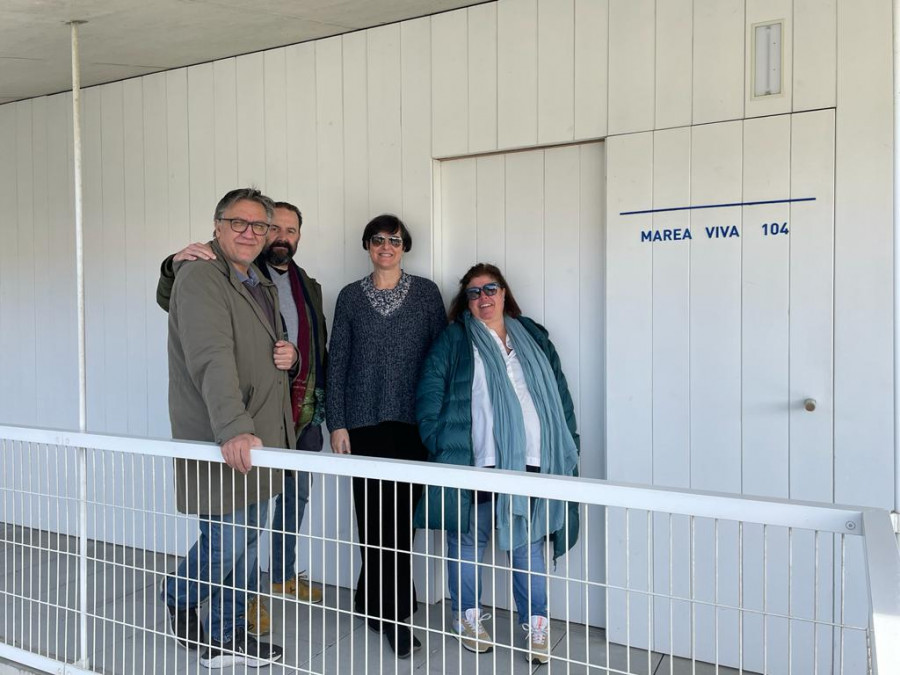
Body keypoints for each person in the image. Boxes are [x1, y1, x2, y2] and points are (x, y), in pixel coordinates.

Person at [157, 200, 328, 636]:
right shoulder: (200, 272)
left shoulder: (265, 282)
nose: (252, 232)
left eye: (260, 225)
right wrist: (234, 428)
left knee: (250, 540)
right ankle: (179, 595)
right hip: (229, 434)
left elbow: (273, 340)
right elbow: (211, 356)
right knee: (228, 540)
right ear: (217, 225)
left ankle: (226, 631)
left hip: (270, 431)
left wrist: (289, 355)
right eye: (239, 223)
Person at [414, 263, 580, 665]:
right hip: (478, 462)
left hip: (534, 461)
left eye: (491, 289)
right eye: (474, 292)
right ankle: (466, 616)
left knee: (528, 548)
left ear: (505, 293)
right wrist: (444, 446)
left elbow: (560, 395)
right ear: (465, 301)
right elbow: (428, 396)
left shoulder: (533, 335)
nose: (483, 298)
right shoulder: (455, 340)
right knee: (468, 544)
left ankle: (536, 625)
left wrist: (569, 443)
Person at [326, 214, 446, 658]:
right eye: (377, 239)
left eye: (394, 240)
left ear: (404, 246)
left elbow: (440, 360)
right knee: (372, 518)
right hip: (362, 422)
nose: (385, 246)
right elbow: (336, 361)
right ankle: (393, 616)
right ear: (367, 245)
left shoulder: (427, 294)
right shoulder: (350, 297)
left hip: (413, 424)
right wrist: (335, 422)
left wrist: (438, 423)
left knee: (400, 523)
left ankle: (373, 600)